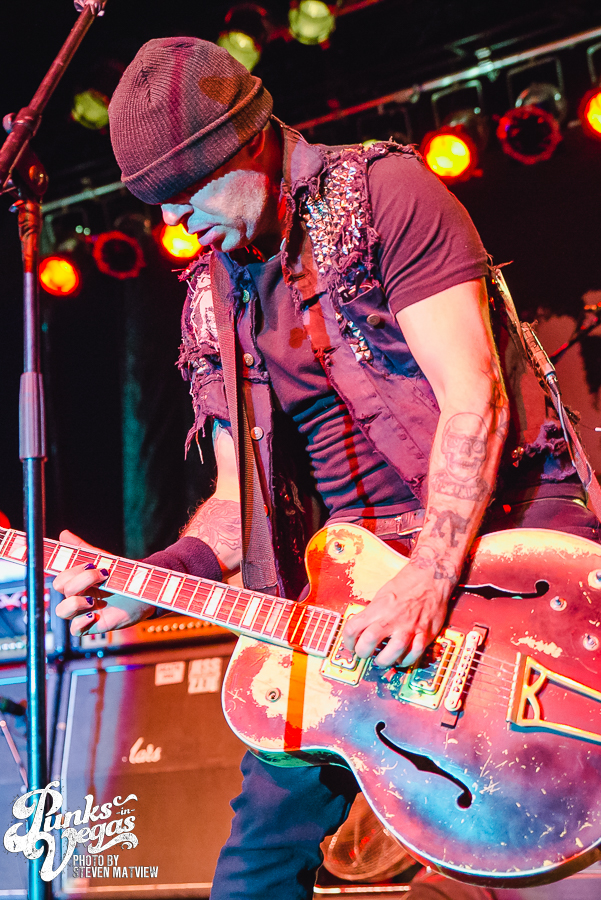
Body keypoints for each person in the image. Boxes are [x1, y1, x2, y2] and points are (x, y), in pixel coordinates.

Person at [54, 37, 599, 900]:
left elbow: (474, 397)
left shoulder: (384, 192)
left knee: (542, 841)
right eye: (160, 204)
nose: (178, 223)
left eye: (190, 192)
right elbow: (235, 504)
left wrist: (427, 577)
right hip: (346, 598)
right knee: (254, 874)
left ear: (249, 143)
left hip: (498, 550)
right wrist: (146, 582)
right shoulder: (210, 298)